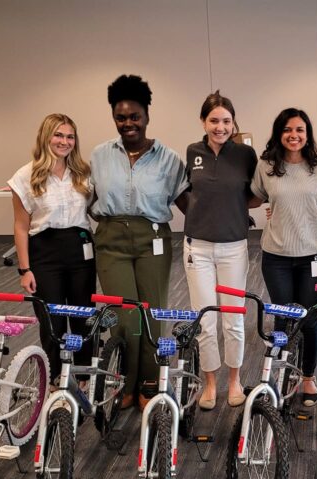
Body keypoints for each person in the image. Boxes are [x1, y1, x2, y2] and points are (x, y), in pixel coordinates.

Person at [90, 74, 188, 410]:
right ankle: (125, 385)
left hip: (153, 239)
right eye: (121, 117)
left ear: (146, 116)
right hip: (111, 239)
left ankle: (148, 383)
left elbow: (189, 203)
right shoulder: (100, 156)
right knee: (126, 317)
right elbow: (83, 197)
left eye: (135, 116)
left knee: (151, 312)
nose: (128, 123)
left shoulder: (169, 159)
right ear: (113, 118)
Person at [177, 91, 262, 410]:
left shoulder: (244, 154)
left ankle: (234, 380)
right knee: (206, 318)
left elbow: (256, 193)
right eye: (214, 120)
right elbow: (184, 192)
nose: (220, 126)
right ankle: (210, 382)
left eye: (226, 121)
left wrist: (235, 210)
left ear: (233, 123)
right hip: (197, 248)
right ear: (203, 121)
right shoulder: (192, 151)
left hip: (233, 248)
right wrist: (199, 215)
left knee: (233, 318)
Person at [251, 108, 317, 407]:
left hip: (312, 254)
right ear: (279, 133)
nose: (294, 135)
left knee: (310, 318)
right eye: (288, 129)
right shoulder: (267, 165)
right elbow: (259, 196)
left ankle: (308, 377)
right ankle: (281, 374)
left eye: (300, 130)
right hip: (276, 256)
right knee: (283, 317)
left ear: (307, 134)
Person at [8, 113, 96, 386]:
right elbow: (21, 227)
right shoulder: (25, 176)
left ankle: (82, 374)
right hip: (45, 252)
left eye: (70, 136)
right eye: (59, 135)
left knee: (82, 315)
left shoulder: (83, 172)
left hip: (80, 248)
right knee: (52, 320)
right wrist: (25, 269)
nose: (65, 141)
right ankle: (55, 375)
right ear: (46, 137)